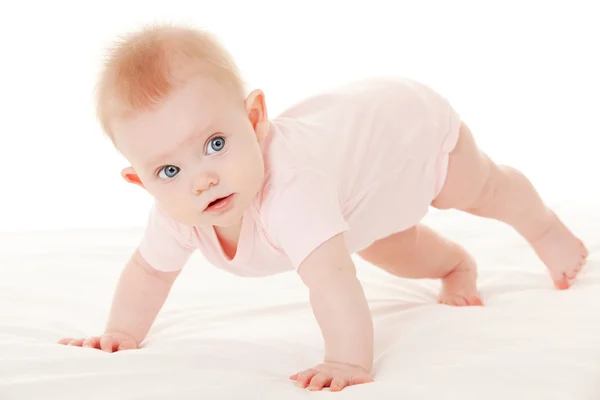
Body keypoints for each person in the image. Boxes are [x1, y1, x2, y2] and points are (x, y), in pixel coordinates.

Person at [58, 23, 588, 392]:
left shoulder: (293, 188)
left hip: (403, 129)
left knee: (477, 188)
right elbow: (148, 273)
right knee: (387, 247)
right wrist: (123, 333)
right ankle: (455, 265)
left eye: (215, 143)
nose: (202, 179)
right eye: (169, 171)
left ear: (255, 117)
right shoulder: (178, 213)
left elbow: (333, 280)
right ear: (141, 181)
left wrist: (347, 360)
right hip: (358, 188)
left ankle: (544, 229)